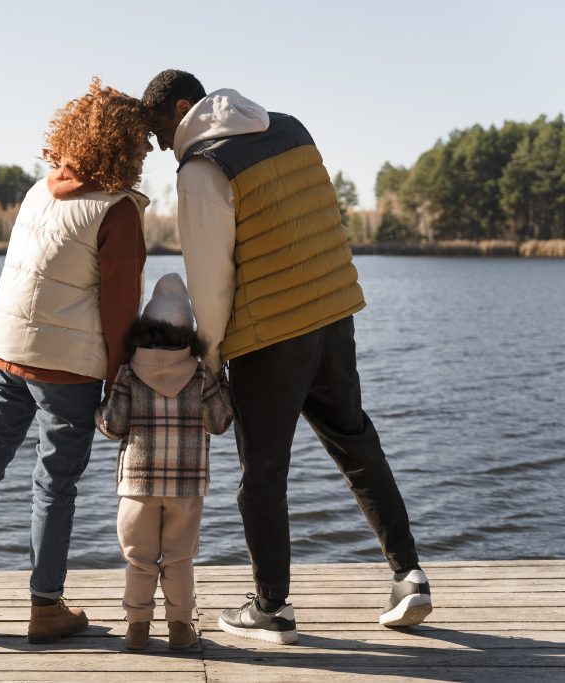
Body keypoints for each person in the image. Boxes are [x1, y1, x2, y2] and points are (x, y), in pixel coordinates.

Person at [140, 69, 432, 645]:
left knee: (262, 477)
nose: (157, 144)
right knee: (356, 441)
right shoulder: (292, 130)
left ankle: (272, 608)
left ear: (181, 107)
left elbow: (209, 275)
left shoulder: (202, 166)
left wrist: (212, 355)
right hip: (332, 314)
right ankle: (409, 576)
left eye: (158, 129)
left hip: (269, 336)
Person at [0, 78, 152, 645]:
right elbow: (121, 314)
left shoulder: (37, 191)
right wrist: (122, 380)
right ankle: (46, 607)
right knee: (56, 482)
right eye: (140, 142)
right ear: (120, 146)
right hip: (68, 366)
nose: (145, 152)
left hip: (8, 350)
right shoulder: (116, 211)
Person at [96, 273, 232, 652]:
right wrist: (224, 386)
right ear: (188, 334)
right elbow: (220, 422)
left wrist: (98, 411)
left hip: (137, 489)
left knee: (139, 561)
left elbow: (113, 425)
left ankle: (137, 628)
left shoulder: (128, 372)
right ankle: (179, 627)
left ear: (144, 329)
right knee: (179, 559)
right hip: (186, 489)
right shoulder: (201, 374)